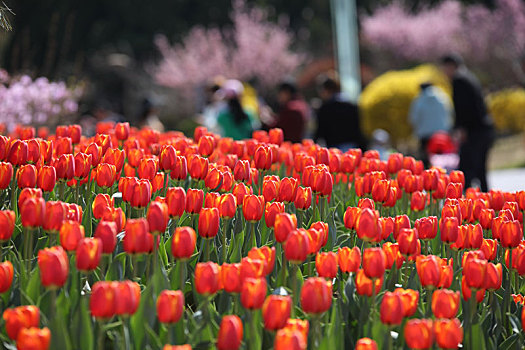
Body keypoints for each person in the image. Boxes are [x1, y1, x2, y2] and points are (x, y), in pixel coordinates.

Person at [441, 54, 494, 192]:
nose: (444, 72)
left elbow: (462, 107)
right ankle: (486, 203)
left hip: (473, 131)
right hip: (484, 129)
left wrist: (460, 129)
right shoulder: (469, 77)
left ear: (451, 66)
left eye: (445, 68)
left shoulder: (459, 80)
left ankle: (466, 206)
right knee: (480, 170)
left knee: (466, 170)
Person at [314, 77, 366, 151]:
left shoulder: (326, 108)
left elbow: (320, 130)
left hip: (333, 146)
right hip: (351, 145)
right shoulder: (351, 105)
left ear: (326, 90)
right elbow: (358, 127)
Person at [409, 82, 453, 167]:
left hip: (424, 134)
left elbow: (413, 118)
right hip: (441, 133)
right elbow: (450, 113)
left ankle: (427, 177)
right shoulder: (443, 97)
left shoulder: (419, 100)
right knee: (442, 159)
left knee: (425, 159)